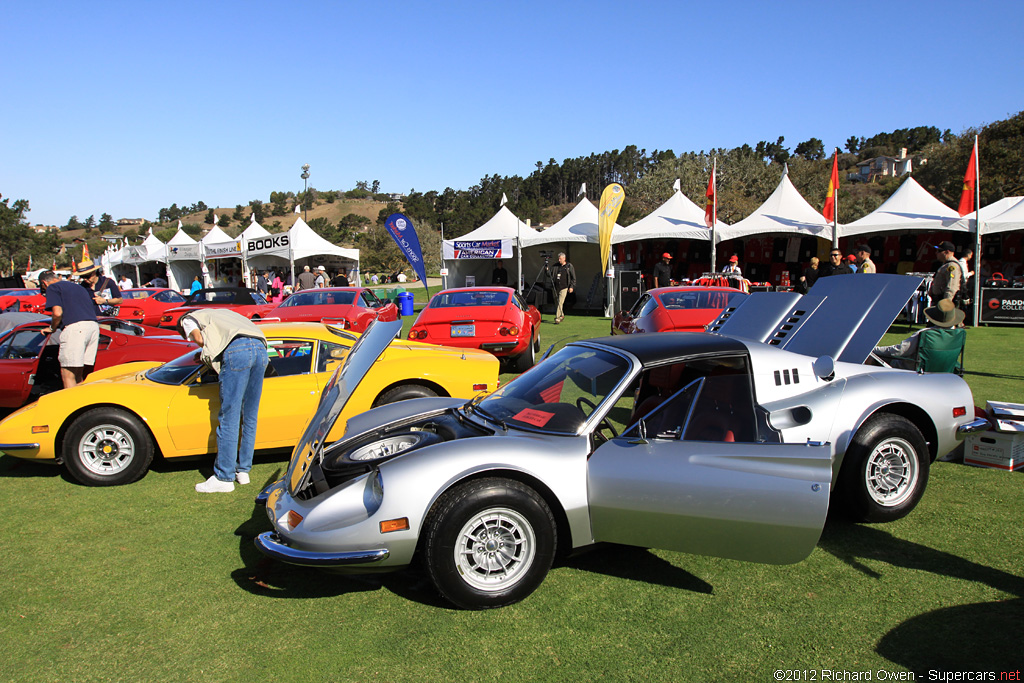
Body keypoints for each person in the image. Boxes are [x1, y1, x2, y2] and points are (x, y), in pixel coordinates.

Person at [176, 309, 269, 493]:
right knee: (249, 415)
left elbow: (200, 339)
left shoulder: (188, 319)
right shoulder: (222, 313)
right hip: (261, 348)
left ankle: (224, 476)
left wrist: (204, 353)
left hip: (237, 350)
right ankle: (243, 471)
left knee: (229, 416)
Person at [39, 270, 99, 389]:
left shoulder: (53, 287)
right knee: (78, 374)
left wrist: (52, 328)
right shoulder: (78, 287)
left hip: (75, 329)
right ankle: (82, 403)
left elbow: (57, 313)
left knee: (67, 373)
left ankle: (71, 405)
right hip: (93, 326)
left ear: (44, 283)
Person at [873, 299, 965, 370]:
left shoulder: (925, 334)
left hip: (915, 371)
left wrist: (874, 349)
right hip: (944, 370)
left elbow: (899, 351)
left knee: (873, 358)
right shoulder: (958, 334)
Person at [928, 240, 963, 307]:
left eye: (939, 251)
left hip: (944, 303)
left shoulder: (952, 266)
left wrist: (946, 304)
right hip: (939, 300)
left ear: (947, 252)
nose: (936, 253)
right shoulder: (945, 265)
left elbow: (952, 286)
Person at [549, 252, 575, 324]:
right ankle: (562, 315)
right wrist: (547, 269)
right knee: (556, 302)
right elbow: (549, 275)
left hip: (564, 287)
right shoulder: (555, 266)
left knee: (560, 302)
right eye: (558, 258)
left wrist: (571, 286)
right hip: (555, 287)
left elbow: (573, 277)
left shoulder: (569, 266)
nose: (559, 260)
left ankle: (557, 318)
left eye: (560, 258)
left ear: (564, 258)